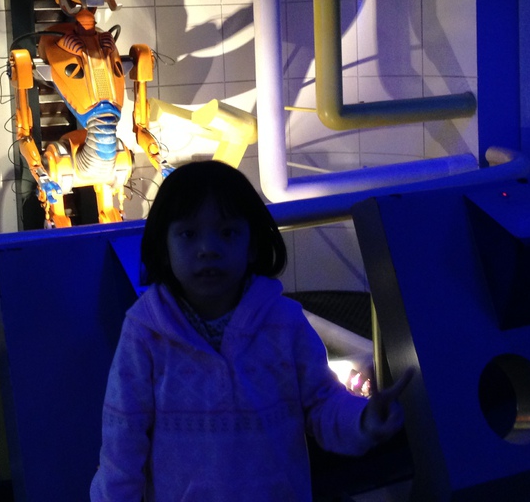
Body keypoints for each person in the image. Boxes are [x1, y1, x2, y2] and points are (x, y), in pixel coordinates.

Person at [91, 160, 412, 501]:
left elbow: (321, 404)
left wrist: (363, 419)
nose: (208, 249)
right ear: (164, 247)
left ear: (252, 245)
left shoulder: (283, 321)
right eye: (188, 234)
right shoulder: (146, 332)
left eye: (227, 233)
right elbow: (122, 441)